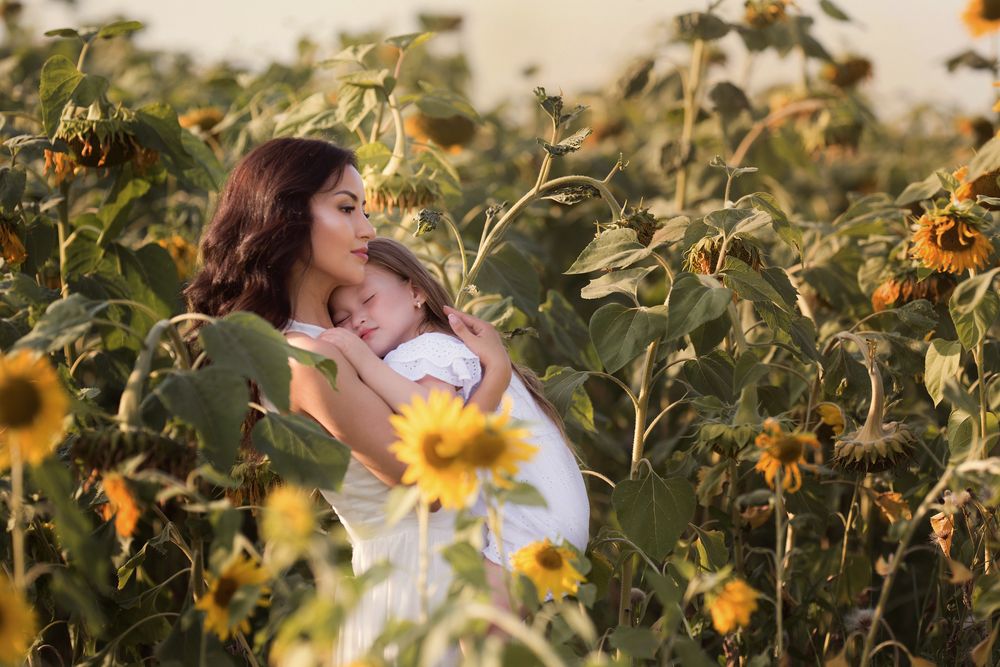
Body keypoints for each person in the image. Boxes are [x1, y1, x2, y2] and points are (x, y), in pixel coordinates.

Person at [185, 137, 513, 664]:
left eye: (363, 209)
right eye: (346, 208)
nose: (368, 228)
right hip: (418, 597)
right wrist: (494, 374)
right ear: (286, 217)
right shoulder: (307, 356)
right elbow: (430, 483)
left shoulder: (344, 339)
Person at [322, 237, 590, 587]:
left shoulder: (426, 349)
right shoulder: (443, 347)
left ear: (416, 291)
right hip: (546, 516)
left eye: (368, 299)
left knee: (483, 634)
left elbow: (439, 420)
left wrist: (359, 359)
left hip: (524, 528)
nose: (357, 320)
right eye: (341, 318)